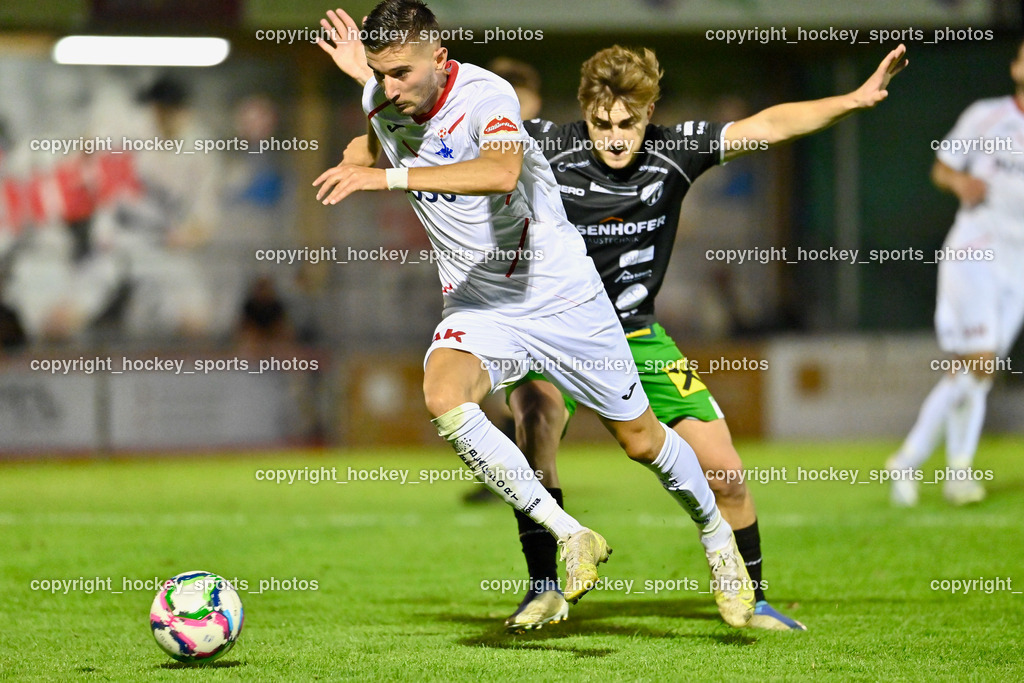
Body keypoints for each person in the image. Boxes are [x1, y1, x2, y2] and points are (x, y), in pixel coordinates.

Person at [320, 7, 907, 632]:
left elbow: (498, 166)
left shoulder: (663, 152)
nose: (615, 134)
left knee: (650, 444)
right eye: (602, 122)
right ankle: (558, 558)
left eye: (628, 122)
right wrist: (366, 118)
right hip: (484, 303)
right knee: (479, 407)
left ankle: (724, 550)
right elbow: (382, 133)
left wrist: (852, 99)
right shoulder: (413, 101)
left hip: (585, 309)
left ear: (649, 117)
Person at [887, 38, 1024, 507]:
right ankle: (958, 473)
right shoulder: (986, 115)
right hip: (976, 251)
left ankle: (908, 460)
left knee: (974, 373)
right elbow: (942, 169)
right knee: (980, 361)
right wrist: (961, 181)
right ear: (1015, 66)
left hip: (1019, 266)